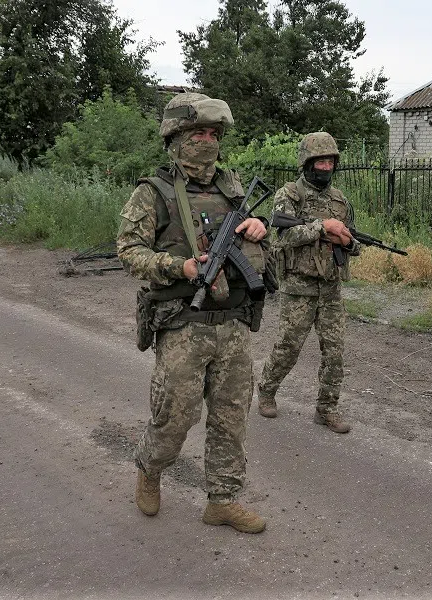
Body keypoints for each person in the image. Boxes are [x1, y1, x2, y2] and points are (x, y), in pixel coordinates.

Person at [116, 92, 272, 534]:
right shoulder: (154, 192)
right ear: (176, 137)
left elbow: (262, 251)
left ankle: (222, 500)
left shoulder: (233, 187)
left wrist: (258, 232)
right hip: (183, 324)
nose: (206, 141)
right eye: (196, 133)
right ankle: (150, 469)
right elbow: (128, 252)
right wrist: (176, 266)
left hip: (233, 324)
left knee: (231, 418)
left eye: (212, 133)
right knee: (175, 417)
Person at [257, 132, 360, 433]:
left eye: (330, 161)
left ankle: (326, 409)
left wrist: (347, 241)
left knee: (335, 351)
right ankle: (266, 391)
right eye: (320, 161)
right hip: (298, 287)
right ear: (307, 162)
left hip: (330, 286)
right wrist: (321, 227)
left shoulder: (340, 200)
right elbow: (284, 236)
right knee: (288, 346)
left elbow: (353, 242)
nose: (326, 167)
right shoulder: (289, 195)